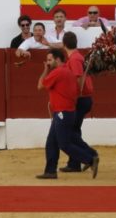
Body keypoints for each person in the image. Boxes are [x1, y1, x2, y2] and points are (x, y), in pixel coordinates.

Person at [36, 48, 99, 179]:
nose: (47, 63)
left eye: (49, 60)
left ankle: (90, 159)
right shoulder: (68, 71)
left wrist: (45, 70)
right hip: (66, 112)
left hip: (62, 113)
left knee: (64, 144)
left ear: (57, 59)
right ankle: (50, 171)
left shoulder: (58, 72)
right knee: (51, 142)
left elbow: (40, 85)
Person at [59, 32, 96, 173]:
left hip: (79, 99)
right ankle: (75, 162)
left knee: (70, 132)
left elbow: (78, 79)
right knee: (74, 130)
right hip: (82, 98)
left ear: (64, 44)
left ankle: (91, 155)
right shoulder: (77, 57)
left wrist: (72, 97)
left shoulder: (74, 59)